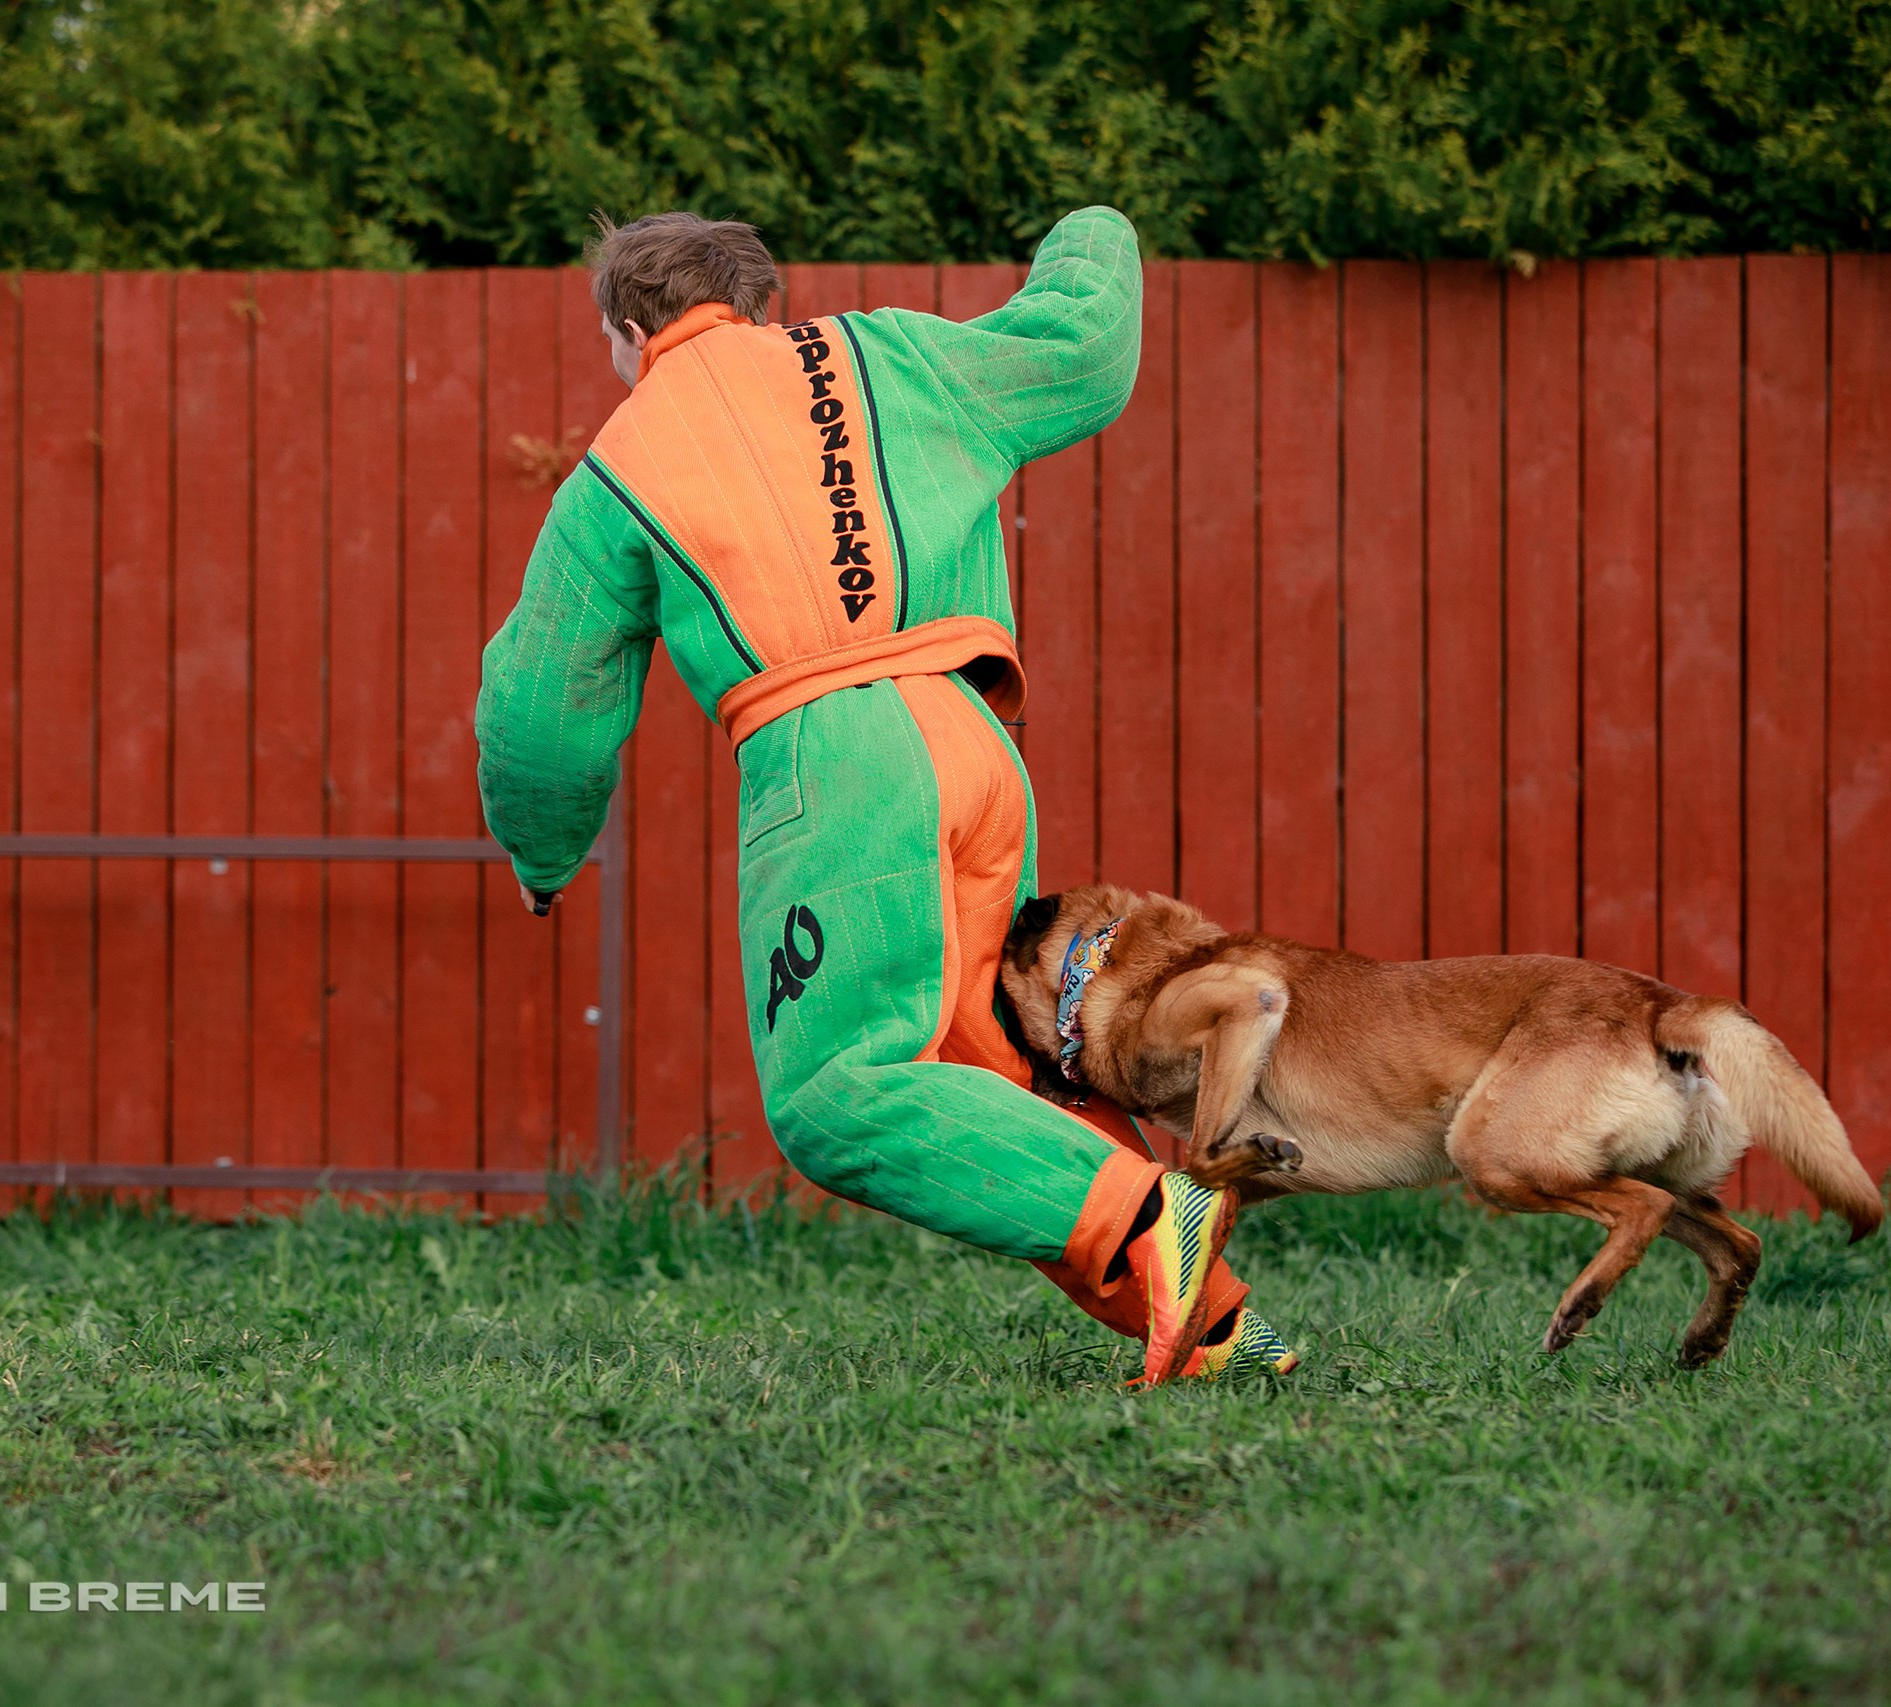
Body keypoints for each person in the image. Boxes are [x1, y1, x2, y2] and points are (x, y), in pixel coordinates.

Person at [475, 207, 1295, 1384]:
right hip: (970, 739)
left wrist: (541, 856)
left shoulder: (623, 463)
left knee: (834, 1093)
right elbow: (1083, 348)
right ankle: (1226, 1337)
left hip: (833, 765)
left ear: (623, 328)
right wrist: (1093, 227)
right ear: (756, 298)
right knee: (982, 1071)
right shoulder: (889, 355)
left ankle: (1155, 1217)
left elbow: (536, 710)